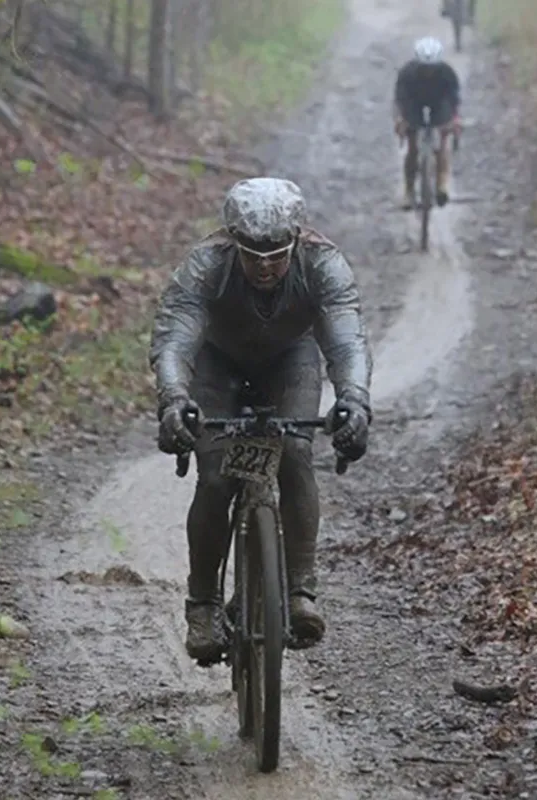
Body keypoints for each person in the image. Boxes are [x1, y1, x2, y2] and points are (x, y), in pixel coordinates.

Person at [150, 177, 373, 664]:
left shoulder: (323, 263)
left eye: (276, 255)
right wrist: (174, 400)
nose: (265, 266)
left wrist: (354, 400)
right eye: (252, 255)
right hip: (216, 364)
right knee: (215, 478)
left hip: (291, 359)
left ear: (296, 240)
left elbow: (345, 339)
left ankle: (300, 591)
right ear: (233, 242)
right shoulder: (206, 264)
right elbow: (176, 339)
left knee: (295, 453)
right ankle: (203, 604)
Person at [393, 37, 461, 210]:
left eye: (432, 68)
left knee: (442, 144)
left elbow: (454, 99)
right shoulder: (407, 73)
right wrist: (401, 120)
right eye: (424, 68)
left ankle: (442, 184)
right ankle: (409, 191)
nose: (428, 72)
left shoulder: (447, 73)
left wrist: (454, 120)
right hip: (413, 103)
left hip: (439, 102)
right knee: (412, 148)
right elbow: (400, 100)